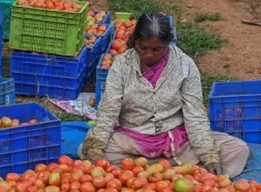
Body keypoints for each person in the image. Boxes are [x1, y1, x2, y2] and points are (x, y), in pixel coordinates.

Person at [80, 13, 249, 178]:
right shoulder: (122, 66)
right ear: (135, 41)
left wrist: (208, 155)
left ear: (168, 44)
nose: (148, 54)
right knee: (85, 150)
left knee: (237, 149)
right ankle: (175, 172)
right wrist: (96, 149)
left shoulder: (184, 65)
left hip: (177, 140)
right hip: (133, 138)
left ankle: (146, 171)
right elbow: (109, 110)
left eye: (156, 49)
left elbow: (195, 114)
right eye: (142, 47)